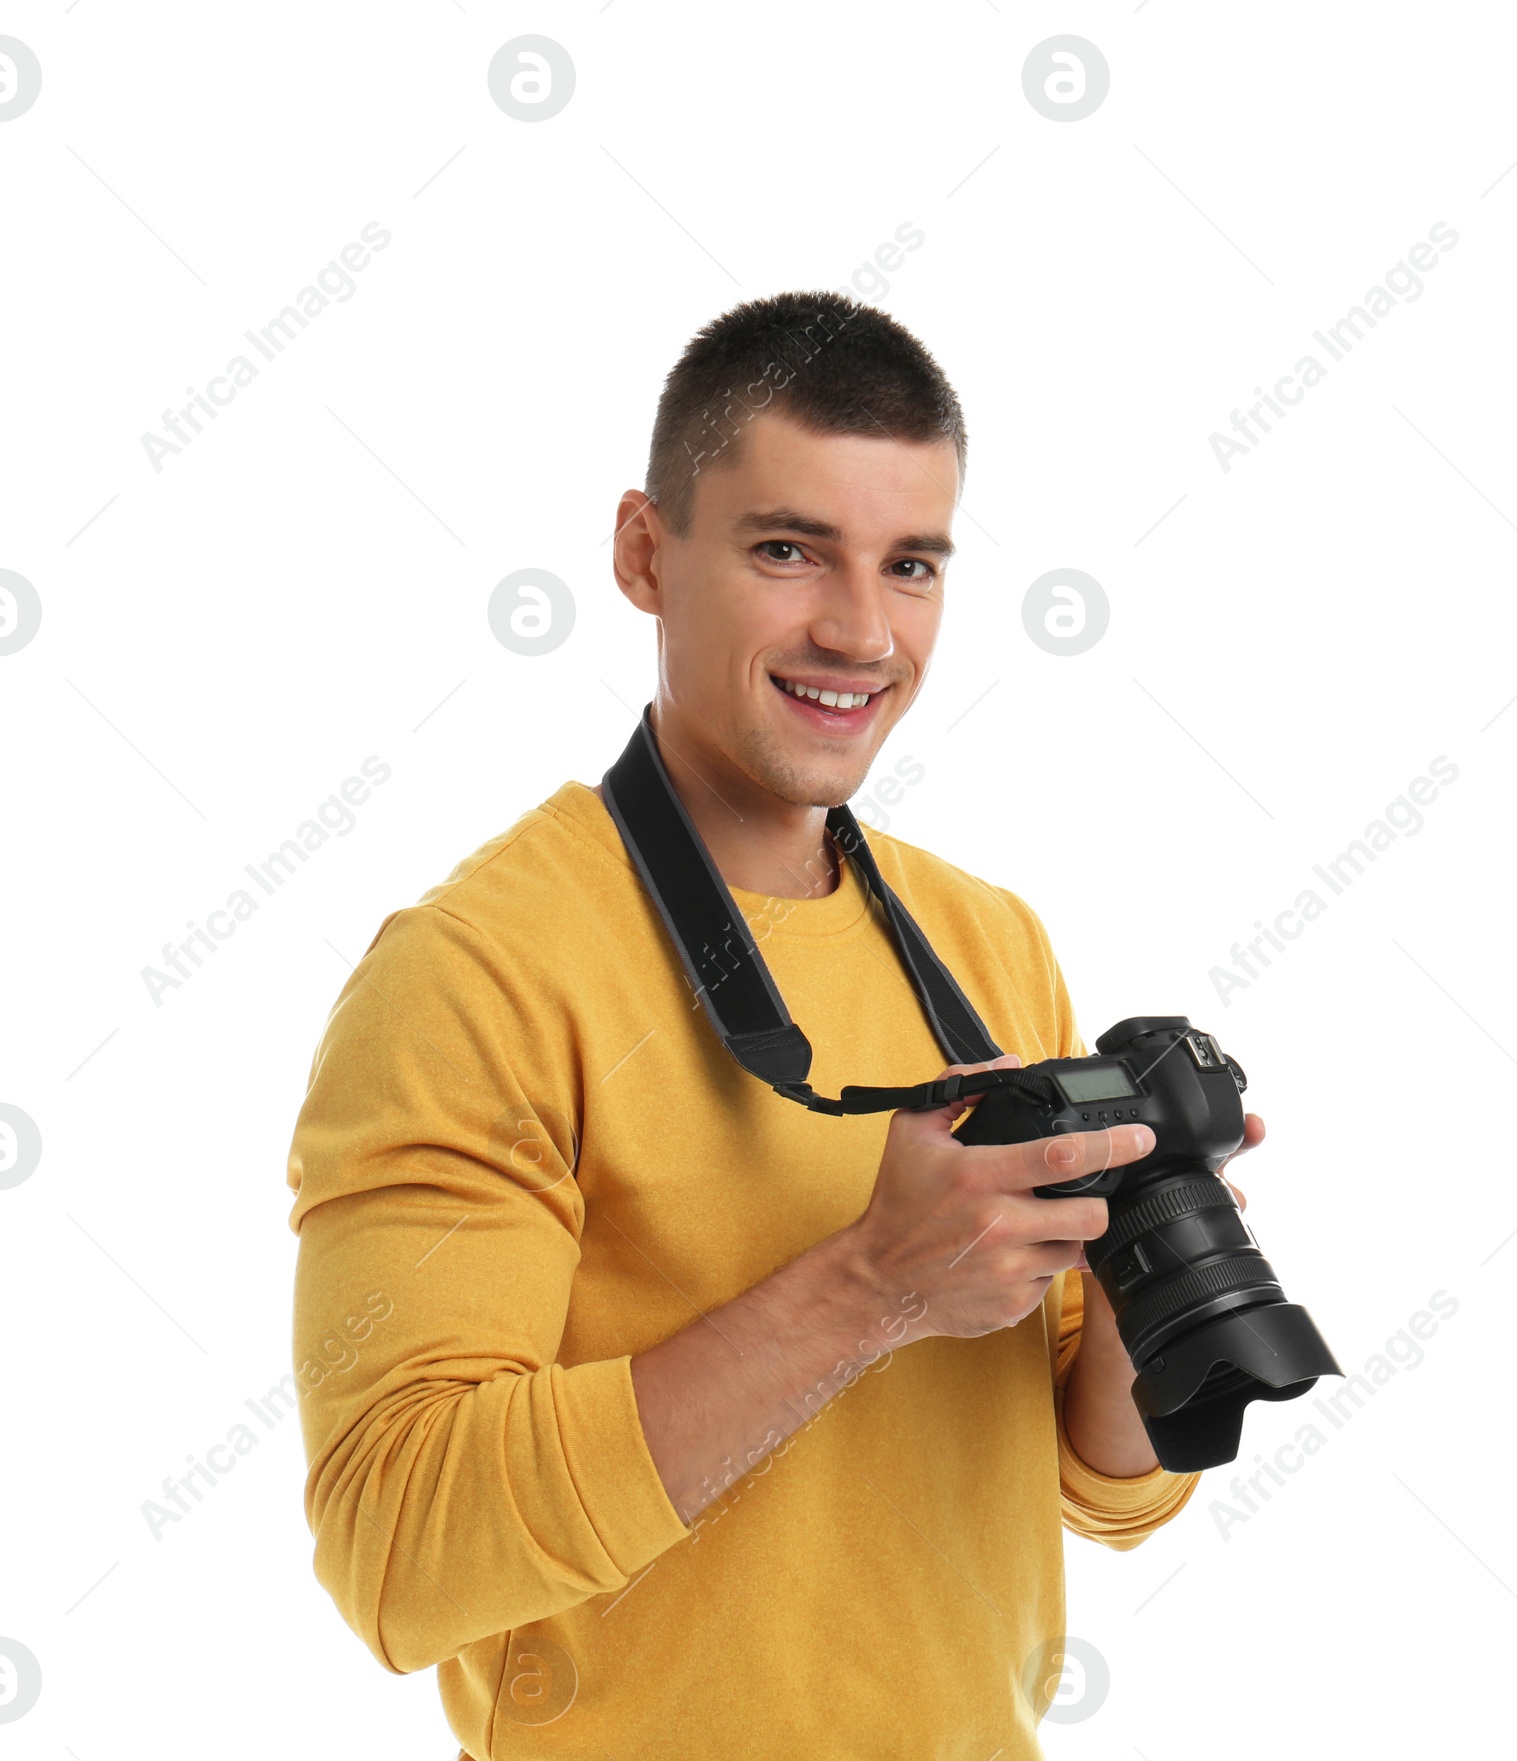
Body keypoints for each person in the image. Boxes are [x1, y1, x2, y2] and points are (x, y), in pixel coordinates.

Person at [285, 290, 1259, 1758]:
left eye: (912, 563)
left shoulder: (989, 940)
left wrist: (1146, 1280)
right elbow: (400, 1547)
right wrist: (872, 1285)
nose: (862, 632)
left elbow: (1098, 1482)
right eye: (790, 549)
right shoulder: (472, 971)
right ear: (642, 552)